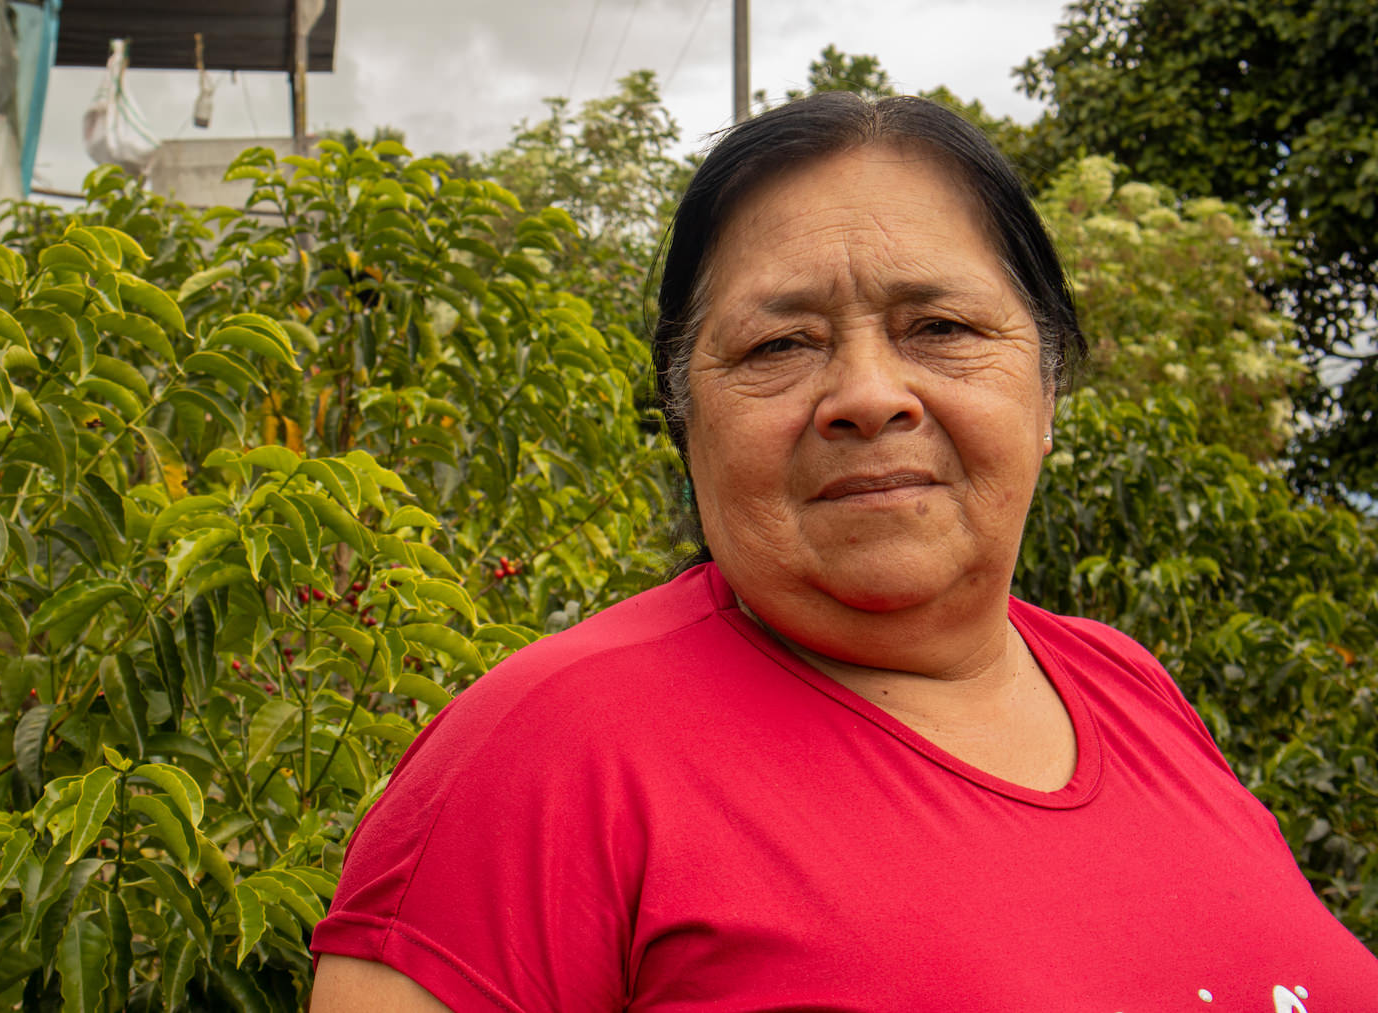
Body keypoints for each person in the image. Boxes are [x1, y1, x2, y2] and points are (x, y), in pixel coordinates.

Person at [308, 93, 1378, 1011]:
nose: (870, 395)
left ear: (1047, 390)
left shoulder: (1127, 682)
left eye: (941, 328)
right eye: (780, 345)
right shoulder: (548, 752)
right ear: (687, 420)